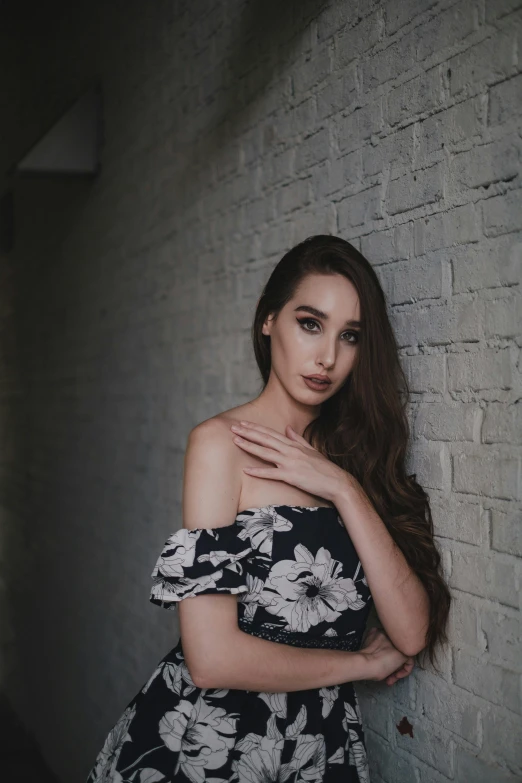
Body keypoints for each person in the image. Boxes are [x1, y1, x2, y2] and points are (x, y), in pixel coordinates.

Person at [86, 234, 451, 783]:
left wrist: (344, 488)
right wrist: (360, 665)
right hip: (215, 742)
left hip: (318, 745)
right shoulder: (219, 444)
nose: (327, 356)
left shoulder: (356, 461)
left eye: (349, 336)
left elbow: (412, 633)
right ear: (268, 321)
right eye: (310, 323)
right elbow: (211, 659)